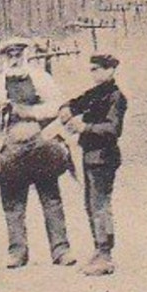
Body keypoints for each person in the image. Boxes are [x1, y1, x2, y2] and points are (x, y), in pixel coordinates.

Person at [0, 36, 76, 270]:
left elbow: (57, 105)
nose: (14, 59)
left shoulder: (41, 78)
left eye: (18, 54)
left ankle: (61, 249)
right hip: (11, 147)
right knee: (13, 202)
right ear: (3, 57)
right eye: (9, 55)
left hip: (38, 144)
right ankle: (17, 252)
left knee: (51, 198)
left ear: (25, 54)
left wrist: (29, 111)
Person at [59, 54, 128, 276]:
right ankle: (99, 250)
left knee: (100, 206)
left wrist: (84, 128)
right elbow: (78, 102)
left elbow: (112, 129)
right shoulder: (97, 93)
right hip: (90, 155)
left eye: (98, 69)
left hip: (104, 156)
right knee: (91, 205)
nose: (94, 73)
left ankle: (105, 254)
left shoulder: (116, 97)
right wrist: (67, 108)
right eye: (92, 69)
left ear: (110, 70)